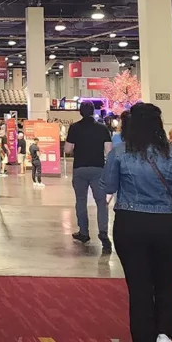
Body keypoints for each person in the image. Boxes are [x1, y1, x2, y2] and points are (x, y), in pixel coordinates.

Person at [100, 103, 172, 342]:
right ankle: (164, 334)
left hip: (131, 223)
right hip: (167, 224)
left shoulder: (119, 154)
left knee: (139, 287)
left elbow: (109, 186)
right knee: (167, 282)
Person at [65, 101, 113, 253]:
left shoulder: (74, 128)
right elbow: (109, 151)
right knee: (101, 203)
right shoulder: (103, 128)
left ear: (80, 112)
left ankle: (84, 233)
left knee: (81, 201)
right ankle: (103, 233)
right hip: (98, 169)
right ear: (94, 111)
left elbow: (67, 149)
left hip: (80, 168)